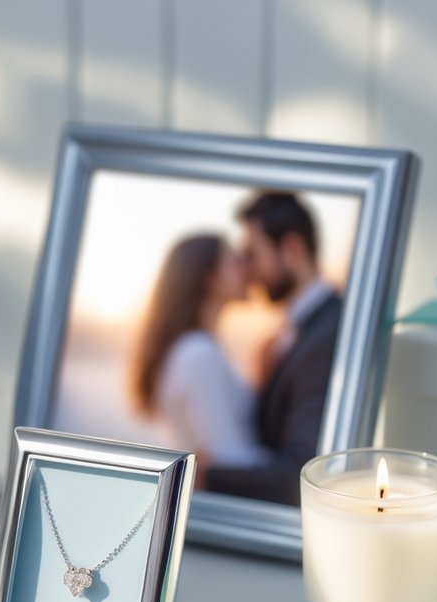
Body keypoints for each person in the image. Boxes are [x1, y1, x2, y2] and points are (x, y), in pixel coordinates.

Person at [203, 191, 342, 505]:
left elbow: (302, 473)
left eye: (254, 254)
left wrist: (207, 475)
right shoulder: (294, 333)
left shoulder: (325, 336)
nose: (249, 270)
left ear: (291, 249)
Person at [128, 235, 271, 470]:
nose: (248, 269)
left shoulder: (197, 348)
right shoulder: (198, 354)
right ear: (209, 277)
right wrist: (296, 467)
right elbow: (229, 461)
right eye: (236, 261)